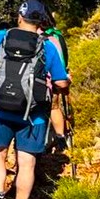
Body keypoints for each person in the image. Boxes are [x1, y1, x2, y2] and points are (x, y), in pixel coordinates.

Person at [0, 0, 69, 199]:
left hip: (1, 110)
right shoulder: (47, 46)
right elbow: (61, 83)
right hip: (34, 116)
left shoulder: (1, 37)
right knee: (27, 163)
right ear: (41, 21)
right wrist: (65, 85)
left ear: (19, 17)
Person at [43, 20, 71, 152]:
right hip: (57, 76)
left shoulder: (42, 38)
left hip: (43, 78)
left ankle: (42, 141)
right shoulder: (57, 36)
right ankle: (60, 137)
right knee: (54, 106)